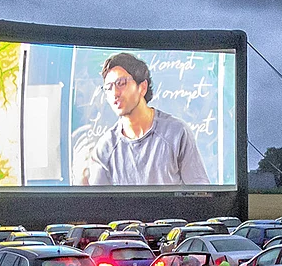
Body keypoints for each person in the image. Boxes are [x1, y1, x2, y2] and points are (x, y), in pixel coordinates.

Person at [85, 53, 209, 186]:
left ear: (142, 87)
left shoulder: (177, 133)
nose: (115, 93)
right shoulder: (105, 148)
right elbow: (98, 204)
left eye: (121, 83)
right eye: (108, 88)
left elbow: (200, 194)